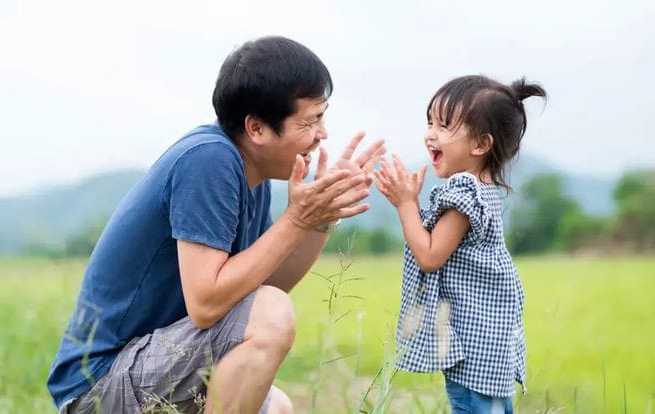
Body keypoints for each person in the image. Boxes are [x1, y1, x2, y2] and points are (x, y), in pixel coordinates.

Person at [46, 35, 385, 414]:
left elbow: (262, 288)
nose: (323, 134)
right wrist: (295, 219)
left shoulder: (251, 176)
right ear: (256, 128)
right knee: (271, 315)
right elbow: (208, 305)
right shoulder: (209, 161)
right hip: (100, 385)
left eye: (323, 117)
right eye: (311, 121)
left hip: (154, 365)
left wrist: (320, 219)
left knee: (278, 407)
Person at [374, 75, 546, 413]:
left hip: (474, 344)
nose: (430, 133)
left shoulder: (465, 192)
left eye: (445, 125)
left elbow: (429, 255)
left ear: (481, 144)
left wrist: (406, 204)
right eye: (430, 121)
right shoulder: (486, 189)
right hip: (490, 341)